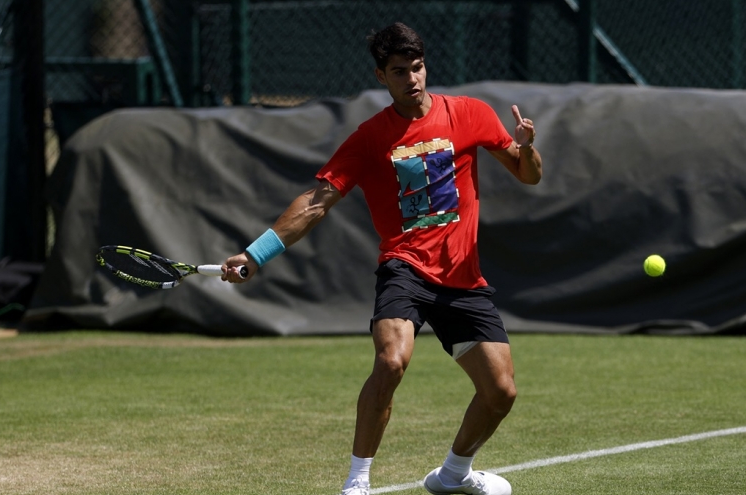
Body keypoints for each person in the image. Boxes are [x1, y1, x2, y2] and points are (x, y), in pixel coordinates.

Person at [221, 22, 542, 495]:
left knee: (501, 392)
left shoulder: (471, 113)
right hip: (405, 267)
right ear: (381, 76)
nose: (412, 79)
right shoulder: (371, 137)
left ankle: (453, 475)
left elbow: (528, 174)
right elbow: (316, 202)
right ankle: (357, 482)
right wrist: (255, 254)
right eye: (399, 72)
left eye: (417, 67)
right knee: (391, 361)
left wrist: (527, 147)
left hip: (462, 278)